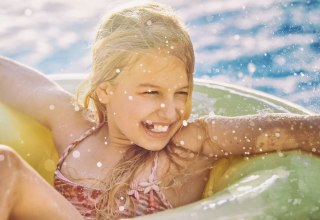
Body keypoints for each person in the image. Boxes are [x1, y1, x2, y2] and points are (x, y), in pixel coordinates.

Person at [0, 2, 319, 220]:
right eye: (151, 92)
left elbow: (295, 130)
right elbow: (15, 80)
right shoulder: (74, 128)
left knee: (5, 166)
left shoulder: (189, 145)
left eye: (181, 92)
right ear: (105, 90)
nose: (170, 110)